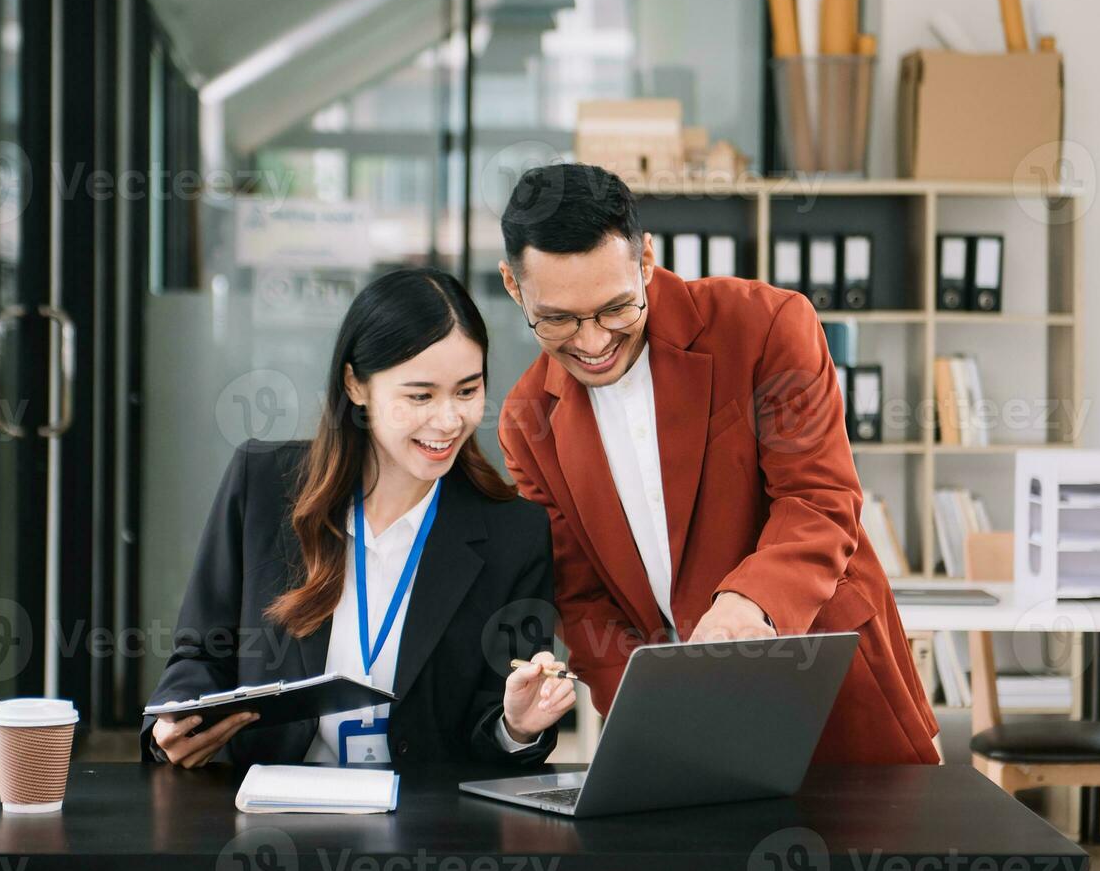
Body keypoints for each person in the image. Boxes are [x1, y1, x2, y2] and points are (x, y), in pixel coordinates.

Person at [496, 164, 939, 765]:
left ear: (647, 260)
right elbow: (582, 597)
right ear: (514, 288)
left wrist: (747, 604)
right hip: (682, 728)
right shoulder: (528, 422)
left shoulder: (766, 325)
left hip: (827, 684)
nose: (594, 342)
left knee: (878, 859)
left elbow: (817, 499)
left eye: (616, 309)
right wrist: (655, 713)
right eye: (558, 320)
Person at [142, 268, 575, 769]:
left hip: (424, 833)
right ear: (356, 385)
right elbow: (199, 656)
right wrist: (169, 727)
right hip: (269, 819)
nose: (448, 419)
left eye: (467, 391)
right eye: (420, 395)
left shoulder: (512, 534)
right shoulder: (262, 484)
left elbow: (491, 729)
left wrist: (516, 725)